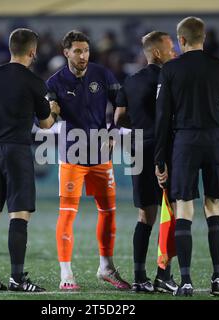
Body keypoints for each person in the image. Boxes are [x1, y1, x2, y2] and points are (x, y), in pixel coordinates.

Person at [154, 17, 219, 297]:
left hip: (186, 141)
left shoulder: (170, 69)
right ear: (203, 38)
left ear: (180, 40)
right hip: (216, 139)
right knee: (213, 206)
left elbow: (162, 118)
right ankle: (218, 279)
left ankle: (187, 281)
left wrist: (160, 159)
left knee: (184, 208)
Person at [0, 28, 59, 292]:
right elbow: (45, 124)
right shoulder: (34, 82)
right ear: (33, 51)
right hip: (17, 151)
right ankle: (17, 279)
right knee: (19, 215)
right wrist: (54, 110)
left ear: (10, 49)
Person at [46, 30, 130, 290]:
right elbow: (47, 122)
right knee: (68, 214)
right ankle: (66, 275)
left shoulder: (102, 74)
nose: (83, 56)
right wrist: (51, 112)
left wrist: (114, 130)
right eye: (78, 51)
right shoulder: (54, 82)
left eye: (86, 50)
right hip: (72, 154)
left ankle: (106, 266)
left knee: (108, 212)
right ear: (66, 53)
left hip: (100, 154)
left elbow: (121, 102)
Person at [114, 31, 178, 293]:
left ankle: (140, 277)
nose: (174, 52)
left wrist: (139, 125)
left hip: (139, 148)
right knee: (171, 212)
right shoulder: (171, 78)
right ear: (157, 52)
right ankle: (163, 275)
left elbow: (119, 118)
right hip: (168, 148)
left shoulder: (130, 81)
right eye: (170, 48)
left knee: (145, 216)